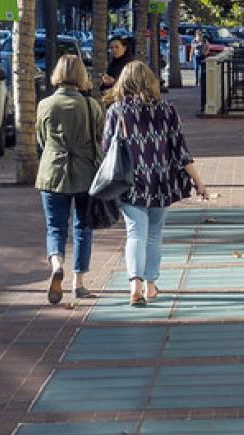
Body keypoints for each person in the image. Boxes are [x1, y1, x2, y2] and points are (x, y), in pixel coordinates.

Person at [103, 59, 209, 306]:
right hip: (160, 180)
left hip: (129, 180)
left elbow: (107, 149)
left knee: (135, 234)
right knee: (154, 234)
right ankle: (150, 284)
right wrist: (199, 182)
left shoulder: (116, 112)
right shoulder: (167, 110)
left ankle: (134, 285)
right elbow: (181, 151)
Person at [35, 53, 104, 304]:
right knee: (83, 227)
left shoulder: (46, 105)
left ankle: (56, 263)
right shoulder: (91, 106)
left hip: (52, 173)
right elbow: (99, 139)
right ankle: (78, 282)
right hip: (85, 173)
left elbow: (41, 141)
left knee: (55, 227)